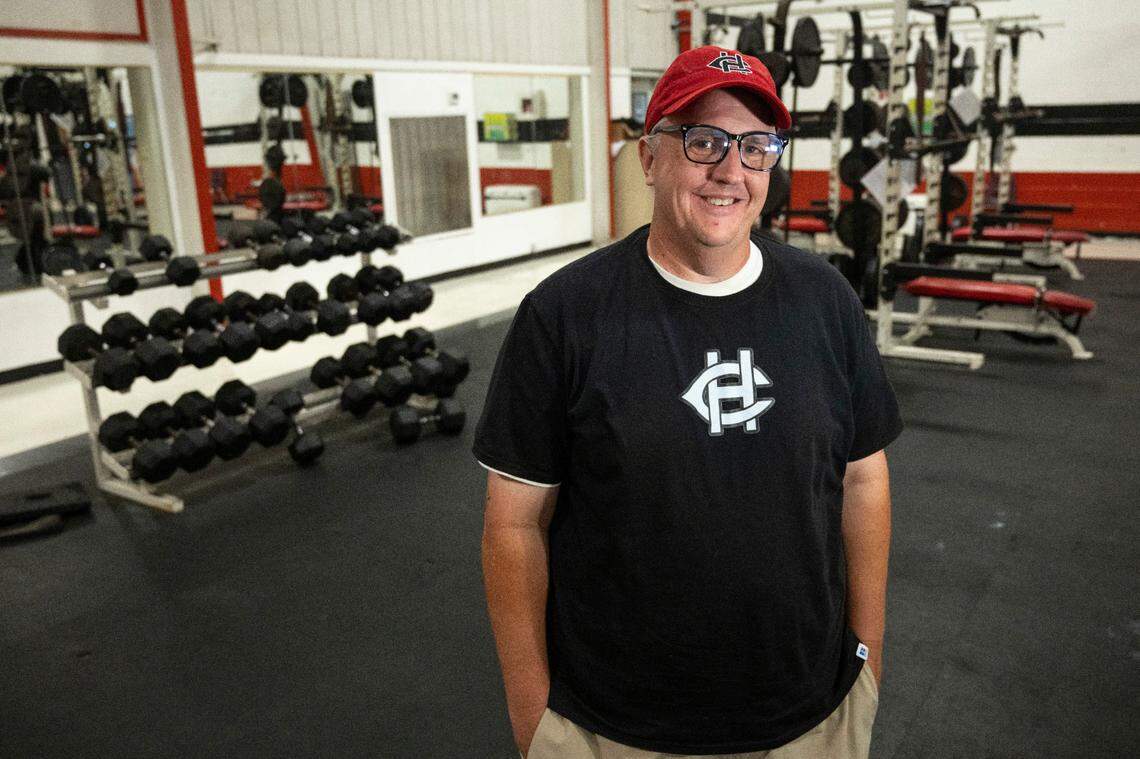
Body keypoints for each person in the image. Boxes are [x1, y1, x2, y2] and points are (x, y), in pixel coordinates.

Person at [475, 45, 902, 759]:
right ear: (650, 157)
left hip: (812, 715)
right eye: (703, 140)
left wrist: (869, 656)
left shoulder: (824, 299)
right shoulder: (564, 315)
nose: (730, 170)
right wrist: (530, 710)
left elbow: (864, 478)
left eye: (756, 146)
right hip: (614, 729)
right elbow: (513, 526)